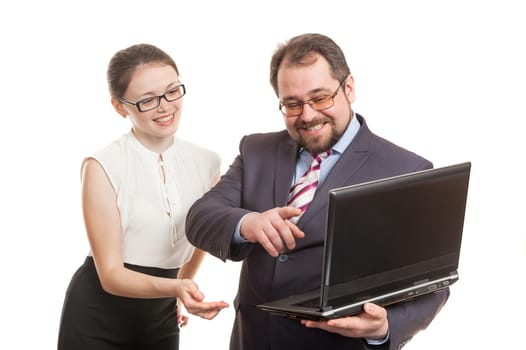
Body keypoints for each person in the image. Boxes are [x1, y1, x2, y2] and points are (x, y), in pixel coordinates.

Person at [186, 33, 449, 350]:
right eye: (292, 104)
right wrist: (248, 224)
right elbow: (200, 217)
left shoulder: (405, 169)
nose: (308, 115)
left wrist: (385, 326)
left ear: (348, 88)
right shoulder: (256, 150)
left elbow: (433, 285)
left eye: (321, 98)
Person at [57, 43, 229, 350]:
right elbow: (110, 275)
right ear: (119, 106)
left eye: (172, 91)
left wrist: (180, 292)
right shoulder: (102, 166)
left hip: (160, 314)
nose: (165, 107)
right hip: (97, 315)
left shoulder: (207, 162)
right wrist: (177, 287)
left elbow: (200, 235)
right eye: (147, 100)